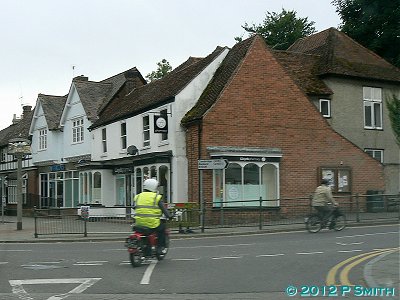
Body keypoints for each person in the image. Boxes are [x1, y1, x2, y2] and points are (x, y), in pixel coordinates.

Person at [133, 178, 171, 254]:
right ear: (153, 187)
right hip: (152, 223)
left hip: (138, 222)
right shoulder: (156, 197)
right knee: (162, 229)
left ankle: (146, 247)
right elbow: (164, 210)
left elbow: (134, 207)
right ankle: (160, 247)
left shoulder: (138, 196)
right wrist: (169, 216)